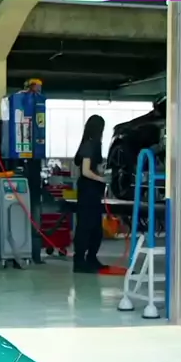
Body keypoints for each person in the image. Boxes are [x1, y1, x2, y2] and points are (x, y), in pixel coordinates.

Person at [73, 115, 107, 273]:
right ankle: (79, 261)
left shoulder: (94, 144)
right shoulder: (89, 145)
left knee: (96, 228)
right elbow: (86, 171)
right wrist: (101, 179)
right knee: (85, 226)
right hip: (87, 190)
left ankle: (92, 258)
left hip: (92, 190)